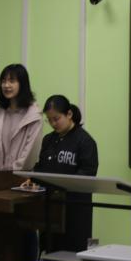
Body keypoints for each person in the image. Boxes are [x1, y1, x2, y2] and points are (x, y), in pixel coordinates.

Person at [32, 94, 99, 253]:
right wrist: (33, 178)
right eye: (49, 120)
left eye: (57, 119)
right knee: (50, 252)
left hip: (75, 211)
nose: (53, 124)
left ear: (69, 114)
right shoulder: (48, 140)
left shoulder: (85, 141)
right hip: (51, 208)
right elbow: (41, 168)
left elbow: (88, 173)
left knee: (72, 254)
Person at [0, 64, 42, 172]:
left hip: (22, 177)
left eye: (12, 81)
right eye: (3, 81)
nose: (6, 85)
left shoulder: (33, 116)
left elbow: (30, 155)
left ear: (22, 84)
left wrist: (10, 173)